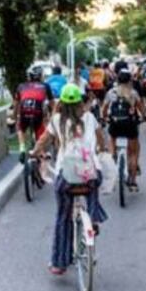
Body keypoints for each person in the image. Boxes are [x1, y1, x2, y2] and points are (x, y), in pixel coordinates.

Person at [32, 83, 108, 275]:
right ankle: (93, 216)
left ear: (62, 103)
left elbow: (44, 141)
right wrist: (102, 150)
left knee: (63, 217)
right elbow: (100, 140)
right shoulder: (90, 118)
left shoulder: (57, 120)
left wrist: (34, 152)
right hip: (90, 173)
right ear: (81, 102)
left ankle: (59, 262)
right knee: (93, 183)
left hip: (66, 177)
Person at [102, 68, 145, 191]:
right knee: (133, 152)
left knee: (111, 137)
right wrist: (145, 116)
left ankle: (113, 155)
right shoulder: (133, 93)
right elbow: (141, 109)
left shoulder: (111, 92)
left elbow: (104, 108)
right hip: (130, 125)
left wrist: (104, 118)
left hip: (115, 125)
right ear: (130, 80)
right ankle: (132, 180)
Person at [14, 66, 54, 161]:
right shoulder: (45, 86)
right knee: (41, 129)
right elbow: (52, 104)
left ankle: (22, 148)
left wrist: (14, 117)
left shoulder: (21, 86)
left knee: (20, 127)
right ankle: (42, 152)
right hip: (38, 113)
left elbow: (16, 104)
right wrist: (53, 115)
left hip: (24, 112)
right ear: (40, 76)